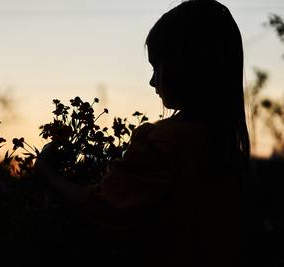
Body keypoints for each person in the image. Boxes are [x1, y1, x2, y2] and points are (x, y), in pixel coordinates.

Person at [35, 0, 249, 266]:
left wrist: (46, 175)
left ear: (186, 65)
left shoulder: (161, 143)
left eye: (156, 67)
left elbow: (103, 210)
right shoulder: (228, 151)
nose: (151, 81)